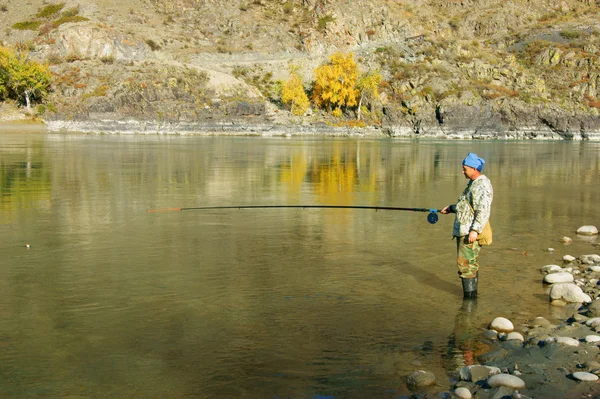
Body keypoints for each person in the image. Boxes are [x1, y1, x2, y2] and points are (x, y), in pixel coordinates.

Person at [441, 153, 493, 298]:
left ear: (475, 169)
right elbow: (467, 206)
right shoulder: (473, 183)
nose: (462, 171)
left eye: (465, 169)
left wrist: (475, 230)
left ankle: (469, 302)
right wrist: (452, 208)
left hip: (469, 232)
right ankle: (472, 301)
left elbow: (483, 209)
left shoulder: (482, 185)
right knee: (470, 265)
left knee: (466, 266)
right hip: (466, 230)